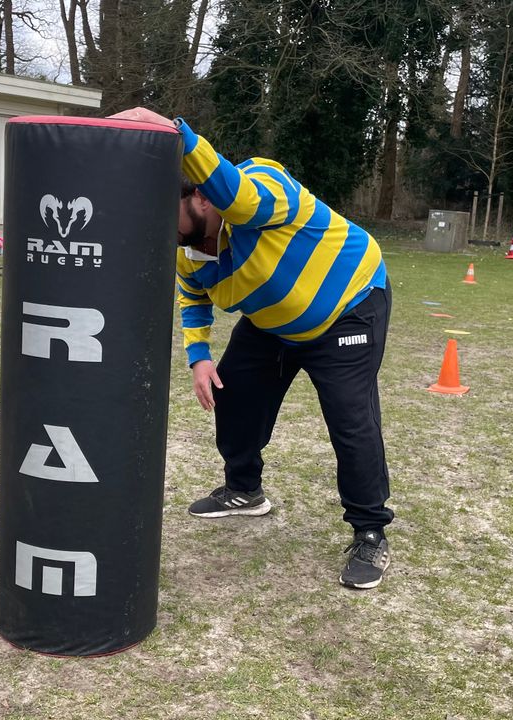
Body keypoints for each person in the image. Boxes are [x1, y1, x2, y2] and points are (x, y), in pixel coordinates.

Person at [111, 107, 395, 590]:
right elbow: (194, 299)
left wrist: (179, 134)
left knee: (351, 420)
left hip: (349, 307)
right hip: (271, 323)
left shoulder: (262, 183)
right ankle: (244, 489)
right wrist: (199, 358)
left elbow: (237, 200)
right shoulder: (185, 250)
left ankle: (369, 529)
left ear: (198, 194)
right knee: (235, 394)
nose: (163, 230)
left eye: (167, 215)